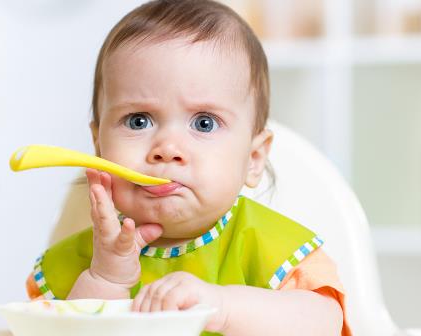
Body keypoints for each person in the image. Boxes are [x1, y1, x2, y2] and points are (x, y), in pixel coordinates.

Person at [25, 1, 351, 335]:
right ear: (99, 148)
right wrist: (106, 278)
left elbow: (323, 323)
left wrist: (222, 308)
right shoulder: (81, 259)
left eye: (205, 123)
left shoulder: (272, 250)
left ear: (253, 160)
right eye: (138, 120)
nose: (167, 149)